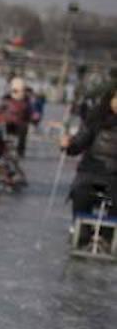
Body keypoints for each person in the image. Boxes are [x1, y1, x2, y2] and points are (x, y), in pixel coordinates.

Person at [60, 85, 117, 228]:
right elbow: (79, 143)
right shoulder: (96, 120)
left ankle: (108, 234)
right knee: (81, 194)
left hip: (114, 179)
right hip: (91, 173)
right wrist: (68, 145)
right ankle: (80, 229)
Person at [0, 77, 33, 158]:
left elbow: (29, 113)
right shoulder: (7, 99)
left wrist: (32, 117)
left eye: (22, 91)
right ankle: (2, 148)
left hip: (20, 123)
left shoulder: (26, 101)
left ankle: (20, 151)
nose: (20, 93)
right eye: (17, 91)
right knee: (2, 127)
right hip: (8, 122)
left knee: (24, 128)